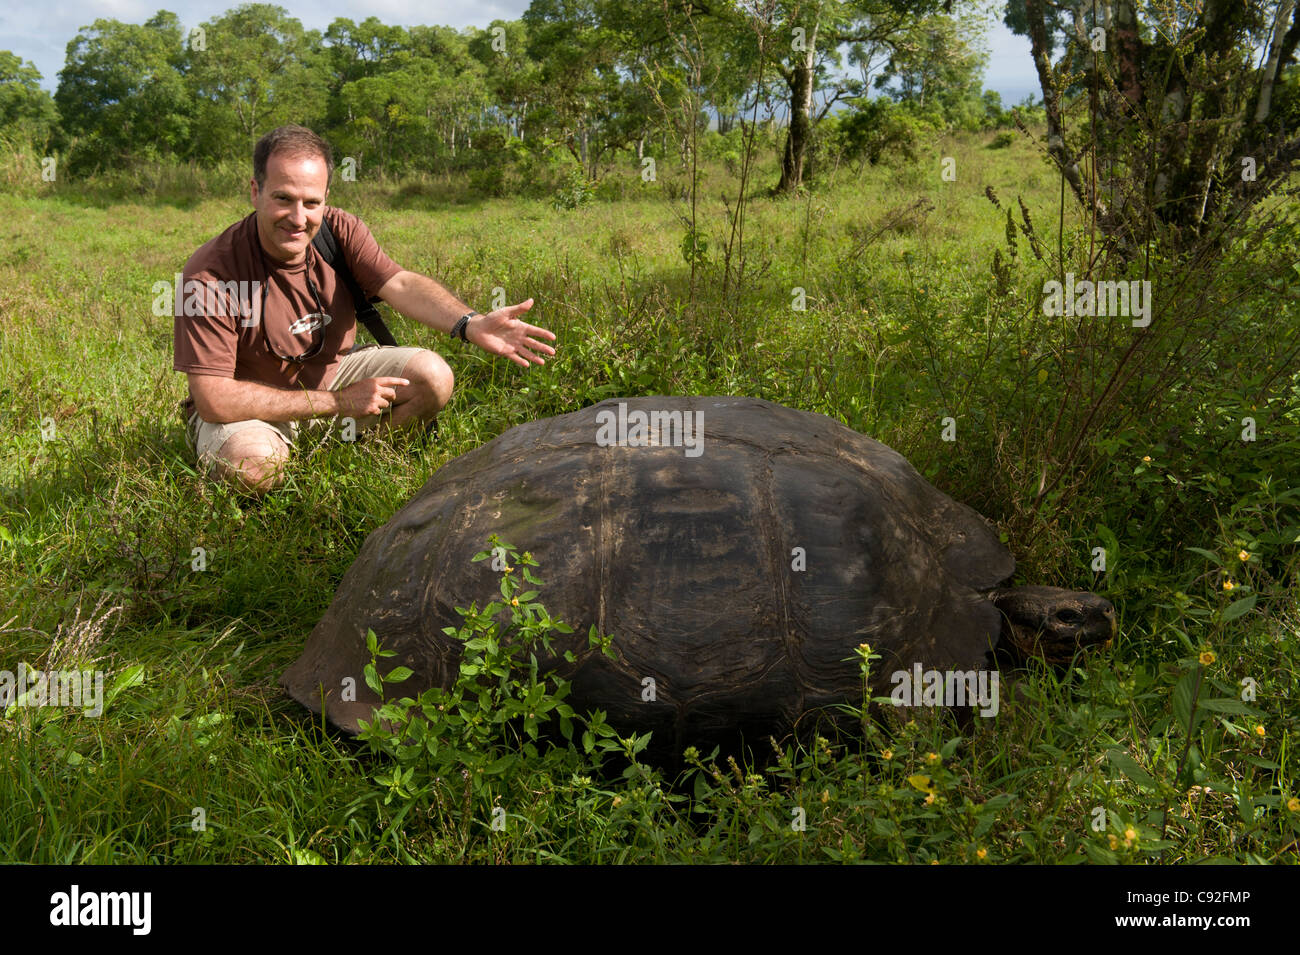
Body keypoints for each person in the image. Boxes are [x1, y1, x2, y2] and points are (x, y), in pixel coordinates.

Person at [174, 124, 556, 495]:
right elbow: (214, 398)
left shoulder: (339, 233)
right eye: (283, 199)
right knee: (253, 469)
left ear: (326, 198)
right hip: (252, 408)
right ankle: (283, 461)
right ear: (255, 192)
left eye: (312, 202)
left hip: (332, 374)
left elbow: (400, 284)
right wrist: (340, 403)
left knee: (433, 376)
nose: (298, 218)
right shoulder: (210, 273)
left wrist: (470, 323)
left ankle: (354, 464)